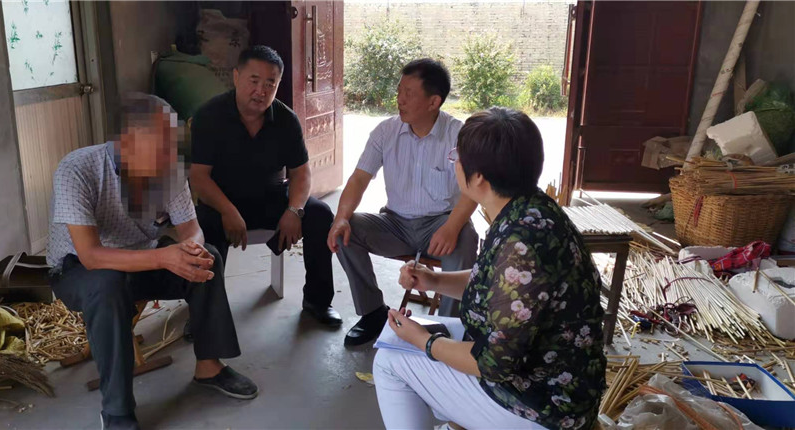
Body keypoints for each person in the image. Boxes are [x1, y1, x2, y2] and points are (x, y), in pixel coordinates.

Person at [373, 107, 607, 430]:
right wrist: (433, 281)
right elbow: (496, 286)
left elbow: (493, 364)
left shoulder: (521, 245)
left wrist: (425, 342)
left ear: (479, 176)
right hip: (549, 378)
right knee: (431, 337)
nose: (454, 163)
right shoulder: (529, 208)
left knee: (390, 360)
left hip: (545, 406)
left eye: (456, 156)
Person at [47, 94, 257, 430]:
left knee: (209, 258)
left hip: (143, 259)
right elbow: (90, 255)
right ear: (126, 142)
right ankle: (116, 410)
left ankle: (209, 366)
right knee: (107, 283)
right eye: (160, 147)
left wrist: (190, 250)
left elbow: (192, 230)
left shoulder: (168, 169)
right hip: (79, 270)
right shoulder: (77, 169)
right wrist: (163, 256)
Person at [327, 59, 479, 346]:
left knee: (466, 237)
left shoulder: (458, 135)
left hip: (441, 225)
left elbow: (473, 190)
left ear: (433, 102)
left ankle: (449, 326)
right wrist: (342, 217)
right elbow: (359, 178)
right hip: (394, 224)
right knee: (345, 231)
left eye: (409, 93)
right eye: (399, 91)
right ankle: (372, 312)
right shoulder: (385, 132)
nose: (400, 99)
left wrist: (452, 227)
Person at [190, 45, 341, 327]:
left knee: (320, 214)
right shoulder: (209, 116)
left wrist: (294, 210)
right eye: (254, 80)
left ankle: (317, 302)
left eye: (270, 83)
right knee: (202, 224)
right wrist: (228, 211)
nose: (261, 91)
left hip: (270, 197)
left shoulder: (285, 120)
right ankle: (205, 311)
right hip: (222, 202)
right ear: (236, 77)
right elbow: (199, 177)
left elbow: (301, 173)